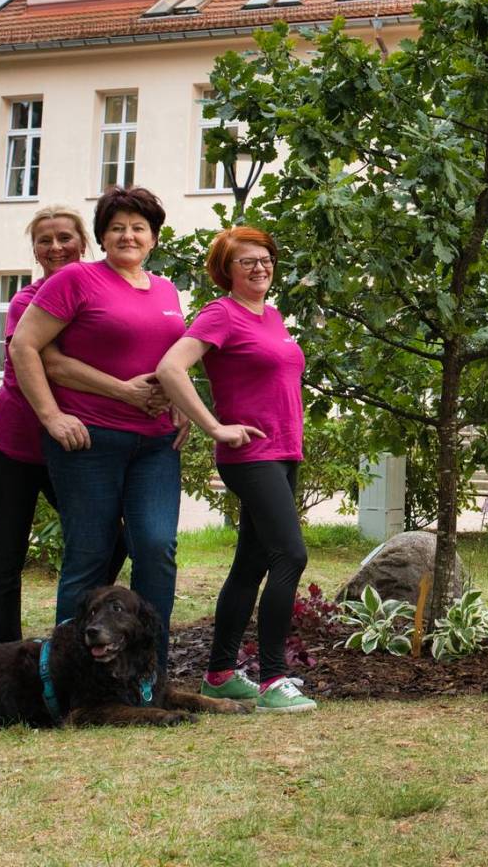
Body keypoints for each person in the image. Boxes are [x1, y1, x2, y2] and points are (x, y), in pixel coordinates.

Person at [9, 186, 186, 685]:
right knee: (89, 555)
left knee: (156, 546)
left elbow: (172, 362)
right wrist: (50, 416)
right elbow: (26, 346)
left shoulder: (167, 291)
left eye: (139, 227)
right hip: (89, 441)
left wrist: (185, 405)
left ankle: (151, 673)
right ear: (103, 236)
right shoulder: (77, 280)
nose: (128, 235)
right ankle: (68, 679)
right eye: (117, 227)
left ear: (153, 237)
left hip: (154, 444)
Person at [156, 226, 316, 715]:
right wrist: (214, 426)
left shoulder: (272, 316)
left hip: (283, 451)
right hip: (250, 455)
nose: (260, 267)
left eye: (265, 258)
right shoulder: (220, 314)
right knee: (290, 555)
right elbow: (170, 368)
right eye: (247, 261)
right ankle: (273, 680)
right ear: (226, 270)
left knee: (251, 563)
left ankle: (221, 674)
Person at [0, 205, 136, 644]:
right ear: (34, 250)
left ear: (84, 243)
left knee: (110, 538)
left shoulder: (100, 292)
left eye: (65, 237)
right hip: (15, 446)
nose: (55, 247)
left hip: (75, 443)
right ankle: (3, 654)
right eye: (44, 240)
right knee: (6, 554)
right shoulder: (29, 300)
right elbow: (43, 363)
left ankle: (83, 632)